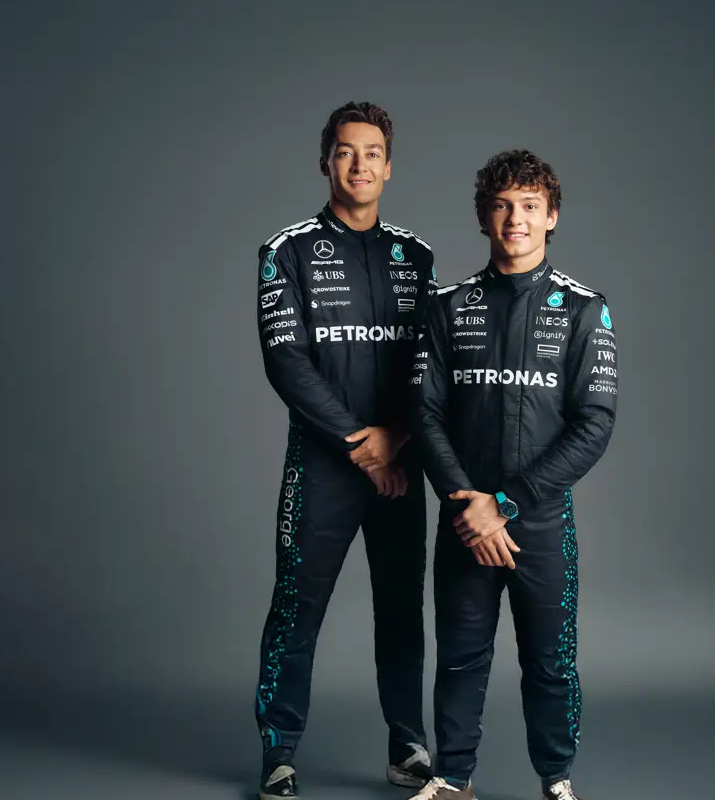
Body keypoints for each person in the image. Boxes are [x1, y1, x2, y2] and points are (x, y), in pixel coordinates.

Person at [407, 150, 619, 800]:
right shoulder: (447, 305)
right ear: (483, 217)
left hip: (540, 525)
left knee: (550, 663)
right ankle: (451, 779)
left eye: (529, 205)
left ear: (551, 215)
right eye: (501, 205)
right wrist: (468, 503)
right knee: (461, 657)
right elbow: (424, 412)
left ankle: (556, 780)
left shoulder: (586, 308)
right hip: (466, 522)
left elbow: (595, 424)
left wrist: (505, 501)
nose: (515, 218)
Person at [252, 101, 436, 800]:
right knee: (298, 604)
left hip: (401, 461)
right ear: (325, 160)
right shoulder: (286, 250)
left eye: (371, 153)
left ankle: (408, 743)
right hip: (324, 465)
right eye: (345, 151)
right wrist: (362, 446)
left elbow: (429, 363)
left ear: (389, 166)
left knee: (400, 606)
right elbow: (286, 362)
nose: (359, 164)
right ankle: (278, 751)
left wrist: (397, 439)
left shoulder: (415, 256)